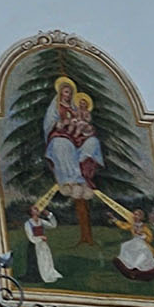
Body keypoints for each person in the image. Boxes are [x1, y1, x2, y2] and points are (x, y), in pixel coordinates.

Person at [43, 77, 104, 246]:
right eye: (65, 92)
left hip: (78, 137)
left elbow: (85, 122)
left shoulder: (77, 108)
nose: (68, 95)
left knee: (93, 142)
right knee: (62, 144)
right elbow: (50, 124)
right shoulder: (56, 107)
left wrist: (84, 127)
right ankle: (68, 180)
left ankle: (84, 179)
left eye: (70, 92)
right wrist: (61, 123)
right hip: (61, 135)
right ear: (60, 92)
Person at [113, 208, 154, 282]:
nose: (135, 216)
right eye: (134, 214)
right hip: (134, 241)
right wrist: (114, 219)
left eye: (137, 215)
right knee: (125, 246)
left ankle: (140, 266)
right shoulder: (132, 224)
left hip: (142, 242)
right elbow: (124, 226)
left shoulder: (144, 226)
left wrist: (142, 235)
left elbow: (150, 238)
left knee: (142, 250)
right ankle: (129, 264)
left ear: (141, 217)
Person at [23, 207, 62, 283]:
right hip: (34, 245)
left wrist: (49, 215)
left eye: (37, 209)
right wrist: (41, 237)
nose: (38, 210)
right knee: (39, 260)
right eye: (35, 209)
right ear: (31, 212)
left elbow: (53, 225)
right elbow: (31, 237)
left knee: (47, 259)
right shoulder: (28, 223)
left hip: (43, 244)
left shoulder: (41, 221)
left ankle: (48, 273)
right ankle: (40, 276)